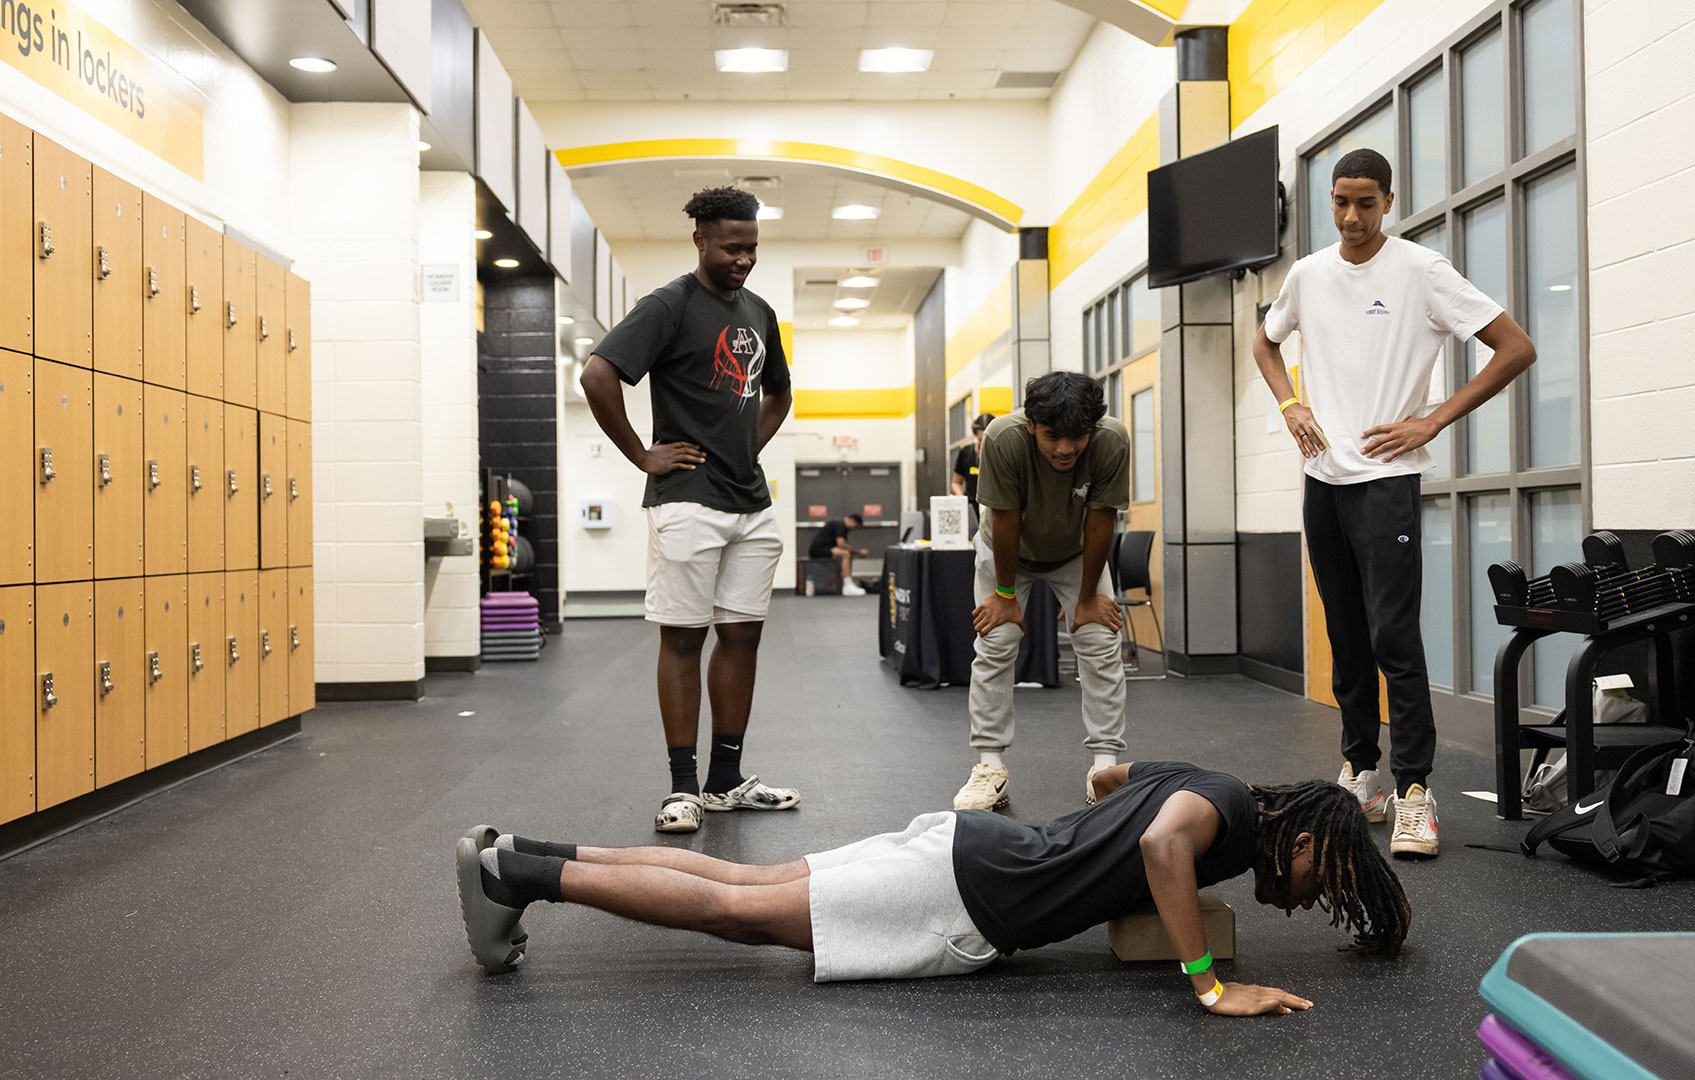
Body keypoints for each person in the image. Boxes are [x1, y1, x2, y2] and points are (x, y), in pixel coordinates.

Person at [454, 761, 1410, 1014]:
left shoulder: (1215, 786)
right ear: (1302, 839)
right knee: (741, 914)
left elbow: (1111, 782)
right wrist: (1208, 984)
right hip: (967, 895)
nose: (1307, 898)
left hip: (974, 845)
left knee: (743, 879)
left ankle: (525, 853)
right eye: (1321, 880)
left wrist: (1096, 853)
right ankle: (514, 880)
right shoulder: (1227, 814)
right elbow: (1162, 848)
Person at [1252, 148, 1536, 859]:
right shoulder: (1307, 274)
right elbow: (1265, 344)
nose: (1352, 217)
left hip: (1387, 482)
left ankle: (1415, 791)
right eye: (1341, 202)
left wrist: (1432, 421)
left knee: (1394, 640)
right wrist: (1290, 404)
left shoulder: (1421, 270)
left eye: (1366, 203)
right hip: (1323, 482)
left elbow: (1514, 348)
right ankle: (1362, 774)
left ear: (1388, 201)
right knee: (1346, 638)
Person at [579, 186, 800, 836]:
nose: (743, 259)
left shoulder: (759, 312)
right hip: (686, 501)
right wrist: (642, 455)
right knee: (683, 637)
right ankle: (683, 788)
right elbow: (597, 375)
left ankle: (725, 781)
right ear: (700, 239)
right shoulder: (669, 305)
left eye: (752, 248)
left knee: (742, 634)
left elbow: (780, 394)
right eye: (731, 248)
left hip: (750, 502)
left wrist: (745, 448)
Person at [955, 372, 1129, 811]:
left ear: (1092, 427)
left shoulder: (1111, 440)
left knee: (1099, 639)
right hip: (1007, 548)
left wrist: (1087, 599)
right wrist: (1005, 595)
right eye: (1053, 436)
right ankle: (990, 766)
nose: (1066, 449)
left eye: (1077, 437)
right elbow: (1005, 519)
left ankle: (1105, 770)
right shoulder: (1004, 438)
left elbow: (1101, 519)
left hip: (1076, 550)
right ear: (1032, 425)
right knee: (996, 640)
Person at [950, 412, 995, 532]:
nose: (983, 444)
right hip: (971, 511)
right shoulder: (966, 452)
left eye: (987, 440)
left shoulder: (998, 454)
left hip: (992, 510)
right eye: (980, 440)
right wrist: (961, 499)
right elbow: (956, 483)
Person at [806, 513, 868, 596]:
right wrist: (858, 552)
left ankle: (848, 581)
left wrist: (854, 552)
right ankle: (848, 584)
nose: (853, 529)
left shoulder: (841, 525)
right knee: (845, 554)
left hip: (825, 548)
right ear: (852, 521)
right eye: (855, 526)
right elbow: (841, 544)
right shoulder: (841, 524)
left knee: (848, 553)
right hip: (817, 550)